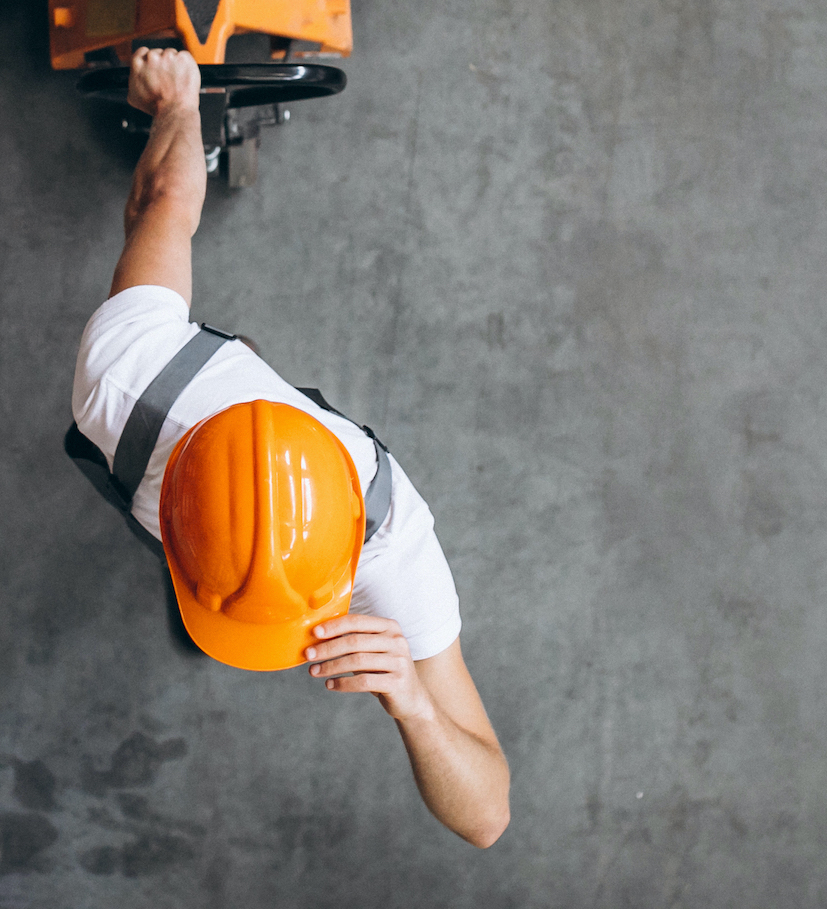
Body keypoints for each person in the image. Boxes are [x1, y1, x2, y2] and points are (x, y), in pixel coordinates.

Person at [65, 48, 510, 848]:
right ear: (166, 510)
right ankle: (207, 580)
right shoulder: (125, 379)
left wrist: (412, 699)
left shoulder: (392, 549)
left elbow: (486, 814)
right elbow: (163, 198)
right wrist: (179, 104)